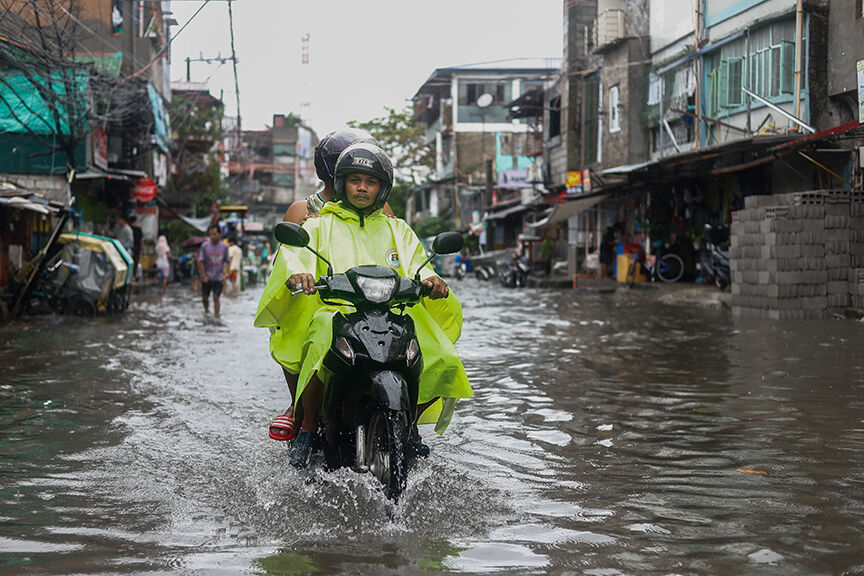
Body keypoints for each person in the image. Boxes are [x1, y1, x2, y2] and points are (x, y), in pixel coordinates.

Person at [255, 143, 472, 468]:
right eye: (355, 180)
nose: (362, 187)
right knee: (318, 341)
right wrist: (300, 274)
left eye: (370, 182)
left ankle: (408, 424)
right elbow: (293, 255)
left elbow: (418, 264)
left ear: (381, 187)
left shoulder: (397, 227)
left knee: (442, 355)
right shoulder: (318, 224)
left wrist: (432, 280)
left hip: (391, 310)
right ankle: (310, 427)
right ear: (342, 182)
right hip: (335, 310)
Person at [266, 128, 395, 442]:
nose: (361, 180)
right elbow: (287, 258)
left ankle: (405, 422)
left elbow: (398, 253)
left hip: (368, 297)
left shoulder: (381, 209)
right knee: (299, 326)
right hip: (320, 294)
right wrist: (300, 274)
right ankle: (300, 411)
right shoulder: (304, 209)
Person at [197, 225, 230, 316]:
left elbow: (228, 261)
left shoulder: (224, 247)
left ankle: (216, 316)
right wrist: (203, 275)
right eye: (210, 234)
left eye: (214, 234)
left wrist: (226, 274)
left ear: (220, 234)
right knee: (204, 297)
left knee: (216, 297)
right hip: (207, 276)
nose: (212, 236)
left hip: (218, 277)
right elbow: (201, 261)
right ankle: (206, 311)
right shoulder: (204, 246)